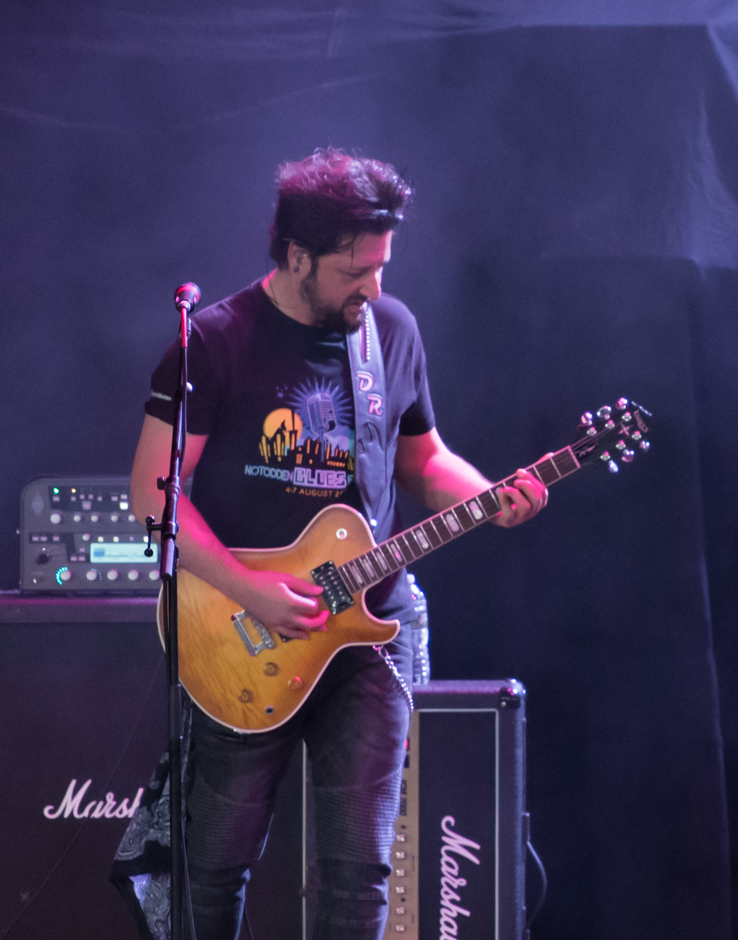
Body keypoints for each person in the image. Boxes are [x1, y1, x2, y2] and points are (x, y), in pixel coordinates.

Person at [124, 148, 547, 939]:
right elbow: (154, 494)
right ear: (296, 255)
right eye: (356, 271)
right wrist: (249, 590)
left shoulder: (392, 331)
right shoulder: (213, 342)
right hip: (241, 633)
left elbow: (423, 460)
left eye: (382, 266)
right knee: (213, 865)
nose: (374, 288)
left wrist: (492, 497)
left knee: (360, 875)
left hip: (369, 632)